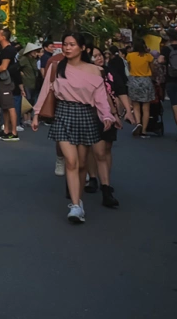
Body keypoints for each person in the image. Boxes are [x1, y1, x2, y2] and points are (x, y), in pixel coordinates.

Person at [31, 33, 118, 223]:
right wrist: (36, 114)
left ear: (82, 48)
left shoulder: (95, 71)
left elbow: (101, 97)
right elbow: (46, 90)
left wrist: (107, 115)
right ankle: (75, 205)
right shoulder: (56, 67)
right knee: (71, 161)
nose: (67, 48)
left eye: (72, 44)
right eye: (65, 44)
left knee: (82, 163)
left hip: (86, 114)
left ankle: (79, 201)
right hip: (63, 113)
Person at [88, 45, 131, 208]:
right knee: (96, 150)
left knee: (106, 148)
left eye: (100, 55)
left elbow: (120, 90)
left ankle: (105, 181)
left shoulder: (110, 72)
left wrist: (128, 111)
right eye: (94, 56)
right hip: (93, 114)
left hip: (111, 115)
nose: (98, 58)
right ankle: (94, 178)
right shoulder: (87, 73)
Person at [0, 28, 21, 141]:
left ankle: (13, 132)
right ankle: (6, 130)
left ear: (3, 37)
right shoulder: (8, 50)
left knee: (10, 106)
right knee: (4, 107)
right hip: (4, 81)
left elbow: (3, 67)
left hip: (6, 82)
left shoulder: (7, 51)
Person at [125, 41, 155, 138]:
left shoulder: (130, 56)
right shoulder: (148, 56)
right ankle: (144, 131)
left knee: (136, 105)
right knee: (146, 108)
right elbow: (153, 69)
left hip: (134, 81)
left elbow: (129, 68)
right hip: (146, 81)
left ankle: (138, 123)